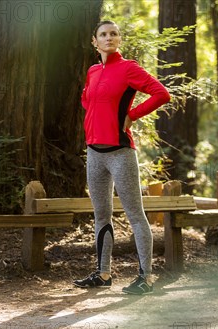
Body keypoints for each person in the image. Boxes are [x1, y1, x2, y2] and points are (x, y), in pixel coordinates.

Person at [73, 20, 171, 295]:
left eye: (113, 34)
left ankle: (146, 277)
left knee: (135, 215)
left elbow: (162, 94)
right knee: (101, 215)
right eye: (103, 34)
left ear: (119, 39)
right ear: (95, 41)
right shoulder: (93, 71)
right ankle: (103, 274)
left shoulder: (129, 68)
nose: (108, 38)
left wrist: (132, 115)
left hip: (120, 152)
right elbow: (87, 101)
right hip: (94, 153)